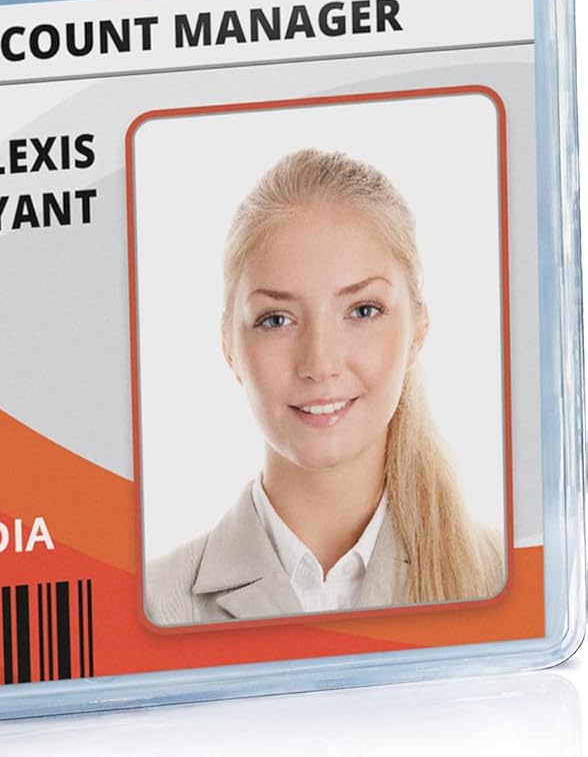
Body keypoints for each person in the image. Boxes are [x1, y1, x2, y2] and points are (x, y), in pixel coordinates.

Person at [145, 148, 505, 625]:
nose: (319, 363)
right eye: (277, 319)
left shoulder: (505, 580)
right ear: (229, 347)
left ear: (418, 330)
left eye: (363, 311)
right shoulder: (152, 604)